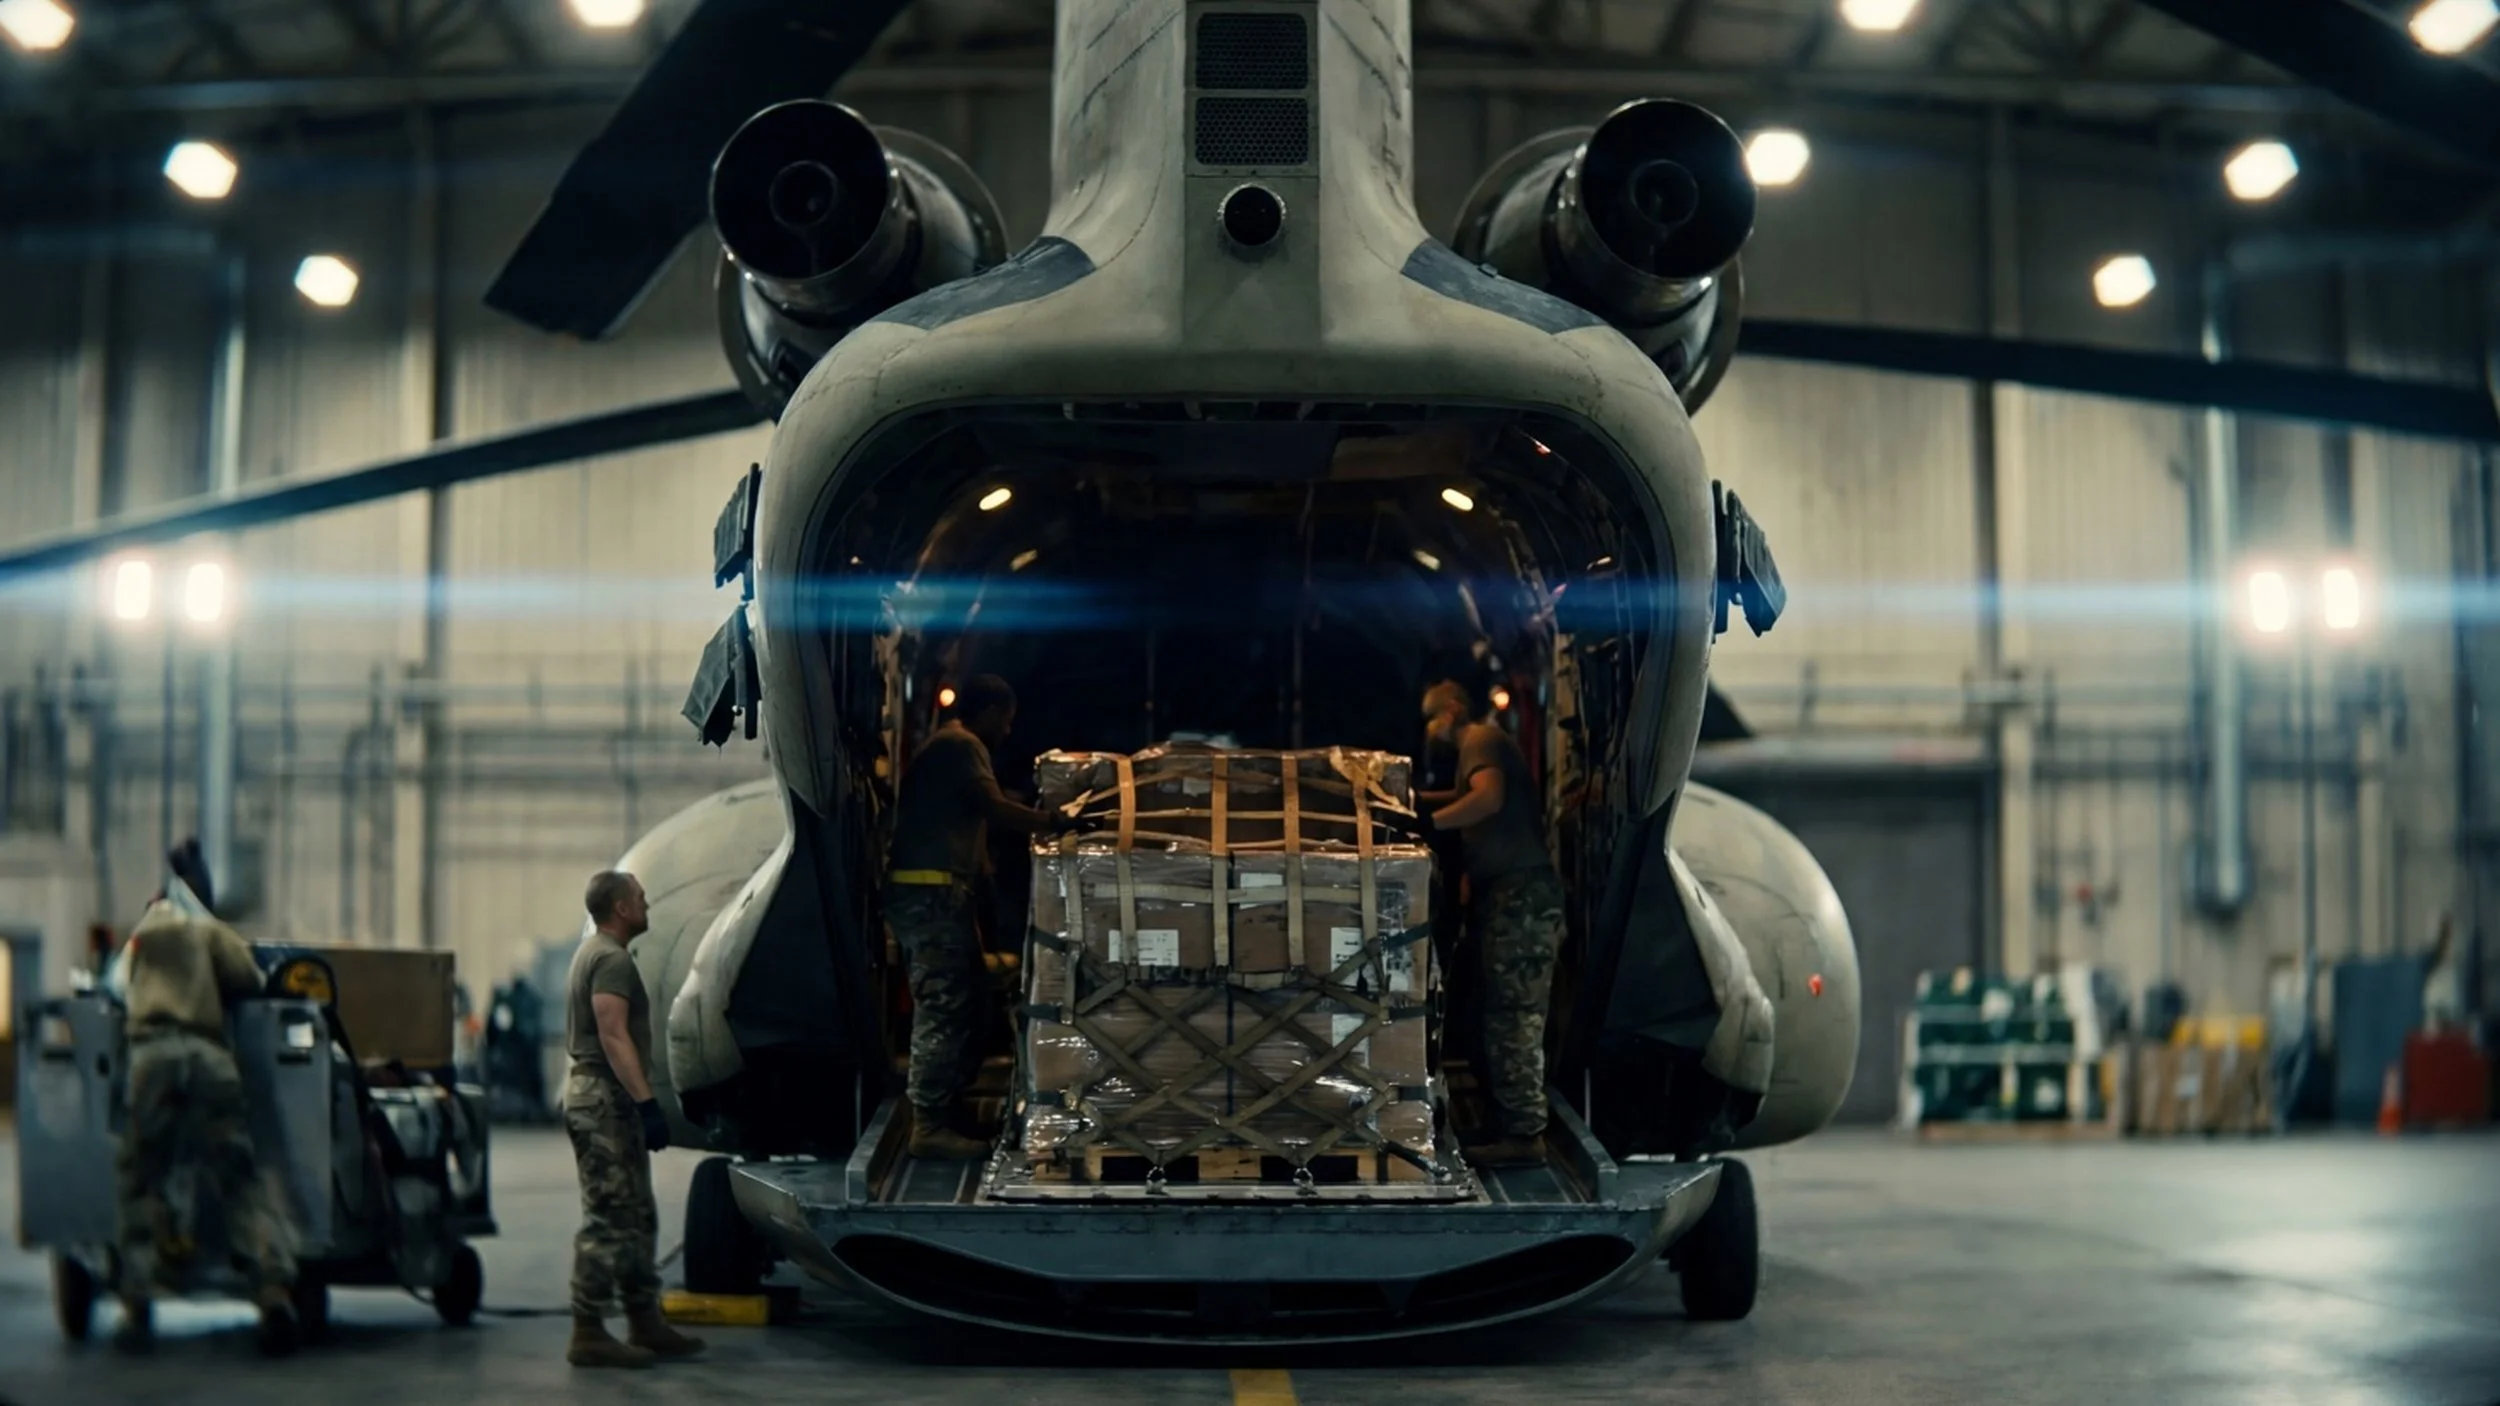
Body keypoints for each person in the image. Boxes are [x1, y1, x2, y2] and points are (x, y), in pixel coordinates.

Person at [887, 675, 1087, 1158]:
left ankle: (946, 1110)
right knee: (945, 1007)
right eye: (1007, 718)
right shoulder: (962, 744)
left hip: (941, 897)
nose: (1010, 729)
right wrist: (1056, 822)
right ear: (991, 710)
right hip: (930, 898)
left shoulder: (952, 746)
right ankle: (929, 1126)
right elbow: (994, 808)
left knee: (971, 1001)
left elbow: (989, 804)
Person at [113, 878, 302, 1355]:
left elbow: (115, 990)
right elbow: (249, 978)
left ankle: (136, 1300)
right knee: (238, 1175)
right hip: (206, 1054)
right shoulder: (206, 928)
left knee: (141, 1177)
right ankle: (272, 1291)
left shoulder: (139, 935)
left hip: (150, 1057)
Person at [1409, 680, 1567, 1167]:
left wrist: (1430, 824)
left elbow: (1488, 798)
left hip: (1521, 897)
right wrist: (1410, 800)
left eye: (1432, 718)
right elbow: (1463, 795)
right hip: (1503, 894)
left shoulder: (1479, 738)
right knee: (1486, 1008)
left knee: (1512, 1014)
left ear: (1453, 709)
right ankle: (1506, 1123)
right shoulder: (1475, 748)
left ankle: (1524, 1136)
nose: (1431, 730)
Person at [562, 870, 704, 1369]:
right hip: (604, 1098)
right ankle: (588, 1329)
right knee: (610, 1217)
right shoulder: (611, 959)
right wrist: (648, 1103)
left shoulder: (598, 954)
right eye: (641, 898)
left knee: (637, 1213)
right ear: (621, 909)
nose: (647, 904)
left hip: (606, 1099)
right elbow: (612, 1034)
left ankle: (645, 1320)